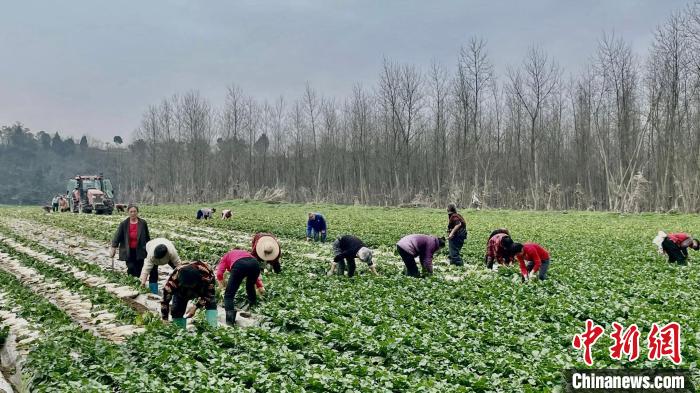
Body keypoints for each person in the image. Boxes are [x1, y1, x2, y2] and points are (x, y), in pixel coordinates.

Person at [161, 261, 218, 329]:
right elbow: (165, 300)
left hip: (200, 287)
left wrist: (196, 306)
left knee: (211, 302)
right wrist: (165, 319)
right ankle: (179, 332)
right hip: (181, 292)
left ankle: (213, 329)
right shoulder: (174, 279)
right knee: (176, 310)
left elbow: (209, 294)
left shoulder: (207, 275)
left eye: (191, 286)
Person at [216, 249, 265, 326]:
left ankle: (230, 322)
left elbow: (219, 274)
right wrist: (260, 286)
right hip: (255, 264)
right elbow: (252, 270)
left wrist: (222, 285)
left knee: (228, 295)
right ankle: (253, 309)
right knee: (250, 287)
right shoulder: (245, 254)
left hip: (239, 265)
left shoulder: (226, 256)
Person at [110, 205, 151, 279]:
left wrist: (149, 248)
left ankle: (137, 281)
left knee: (139, 268)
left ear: (137, 212)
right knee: (131, 267)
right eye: (131, 212)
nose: (133, 213)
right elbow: (117, 236)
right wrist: (113, 248)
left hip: (140, 250)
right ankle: (131, 280)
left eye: (134, 211)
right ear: (128, 213)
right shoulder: (124, 224)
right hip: (128, 250)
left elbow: (147, 237)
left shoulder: (143, 223)